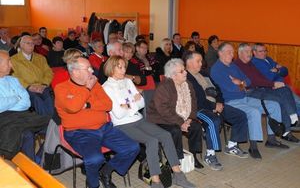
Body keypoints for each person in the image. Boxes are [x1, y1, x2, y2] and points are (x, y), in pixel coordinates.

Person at [103, 56, 196, 188]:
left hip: (138, 119)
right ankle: (156, 182)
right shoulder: (106, 88)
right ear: (111, 68)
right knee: (151, 141)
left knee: (166, 135)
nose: (124, 70)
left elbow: (141, 103)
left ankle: (178, 175)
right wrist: (132, 102)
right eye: (120, 67)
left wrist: (127, 105)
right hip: (122, 125)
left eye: (124, 66)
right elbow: (118, 114)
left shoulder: (128, 82)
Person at [54, 56, 140, 188]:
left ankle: (106, 171)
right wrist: (87, 89)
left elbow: (108, 104)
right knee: (95, 159)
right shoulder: (61, 88)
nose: (92, 71)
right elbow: (73, 107)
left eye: (91, 67)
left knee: (132, 148)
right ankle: (93, 184)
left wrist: (88, 105)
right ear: (75, 72)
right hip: (79, 132)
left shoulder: (96, 85)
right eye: (88, 68)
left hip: (104, 128)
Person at [211, 42, 288, 159]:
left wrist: (240, 82)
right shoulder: (217, 69)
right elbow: (231, 88)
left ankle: (271, 139)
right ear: (220, 53)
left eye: (233, 52)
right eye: (229, 52)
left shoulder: (233, 66)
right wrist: (241, 84)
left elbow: (248, 81)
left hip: (244, 98)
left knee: (274, 105)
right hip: (231, 102)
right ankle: (253, 146)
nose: (232, 55)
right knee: (254, 112)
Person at [184, 51, 248, 170]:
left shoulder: (204, 73)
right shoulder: (186, 78)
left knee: (240, 115)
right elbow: (197, 100)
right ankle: (210, 155)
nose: (201, 63)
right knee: (214, 121)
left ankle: (232, 145)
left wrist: (220, 103)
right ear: (188, 62)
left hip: (215, 105)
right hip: (198, 109)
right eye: (198, 61)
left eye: (201, 61)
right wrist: (214, 107)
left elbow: (217, 89)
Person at [234, 43, 300, 139]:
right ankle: (287, 128)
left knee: (285, 90)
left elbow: (283, 71)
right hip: (250, 92)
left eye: (250, 52)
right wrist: (273, 83)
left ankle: (292, 119)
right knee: (280, 99)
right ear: (240, 53)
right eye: (247, 52)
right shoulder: (238, 64)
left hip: (262, 88)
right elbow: (255, 80)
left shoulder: (251, 63)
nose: (250, 54)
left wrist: (276, 74)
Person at [147, 59, 203, 169]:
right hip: (160, 119)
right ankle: (174, 160)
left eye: (184, 70)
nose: (186, 72)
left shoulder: (188, 84)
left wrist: (190, 119)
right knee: (175, 130)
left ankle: (194, 156)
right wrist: (181, 122)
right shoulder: (164, 87)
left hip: (181, 117)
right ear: (173, 75)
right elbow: (163, 110)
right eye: (182, 71)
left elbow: (194, 103)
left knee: (196, 127)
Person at [0, 50, 49, 161]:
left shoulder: (13, 80)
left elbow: (26, 102)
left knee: (54, 127)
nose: (12, 65)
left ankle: (37, 160)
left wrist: (9, 102)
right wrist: (16, 98)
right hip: (4, 119)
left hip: (24, 116)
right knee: (27, 134)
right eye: (8, 62)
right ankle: (31, 168)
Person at [11, 35, 55, 116]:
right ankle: (47, 121)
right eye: (28, 43)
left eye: (33, 43)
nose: (31, 45)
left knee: (49, 98)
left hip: (42, 86)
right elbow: (14, 77)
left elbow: (48, 72)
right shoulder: (13, 60)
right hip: (26, 88)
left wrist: (44, 84)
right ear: (21, 45)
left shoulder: (41, 58)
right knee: (36, 99)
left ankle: (51, 121)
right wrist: (29, 87)